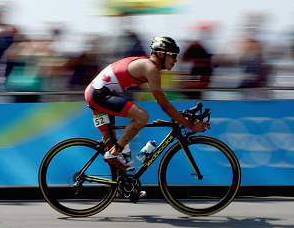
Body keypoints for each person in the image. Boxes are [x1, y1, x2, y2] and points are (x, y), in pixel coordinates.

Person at [84, 36, 208, 174]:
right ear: (161, 54)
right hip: (99, 95)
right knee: (142, 117)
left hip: (97, 93)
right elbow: (164, 105)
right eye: (173, 56)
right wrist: (189, 125)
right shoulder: (150, 68)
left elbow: (164, 104)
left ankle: (124, 187)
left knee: (120, 158)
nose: (175, 60)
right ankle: (113, 153)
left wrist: (181, 118)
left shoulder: (146, 64)